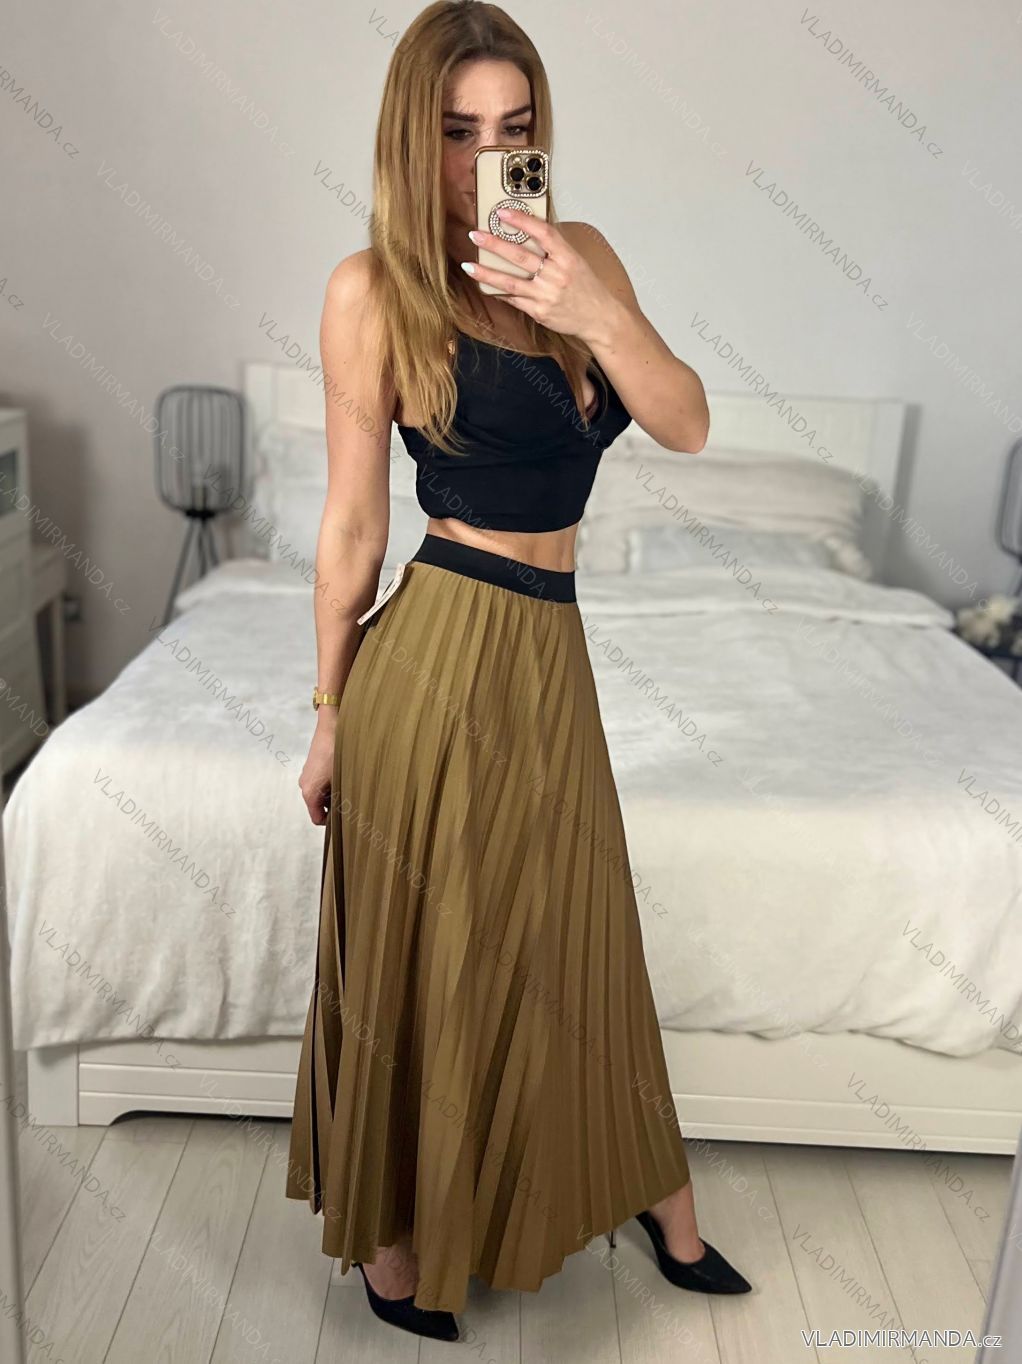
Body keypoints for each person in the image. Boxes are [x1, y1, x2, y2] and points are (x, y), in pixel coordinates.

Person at [286, 0, 750, 1341]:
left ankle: (649, 1193)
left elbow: (686, 421)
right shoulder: (372, 290)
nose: (484, 159)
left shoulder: (578, 259)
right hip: (439, 655)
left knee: (581, 931)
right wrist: (327, 716)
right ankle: (395, 1239)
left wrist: (589, 306)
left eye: (513, 128)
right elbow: (354, 527)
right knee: (435, 950)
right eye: (455, 131)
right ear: (410, 137)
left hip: (551, 647)